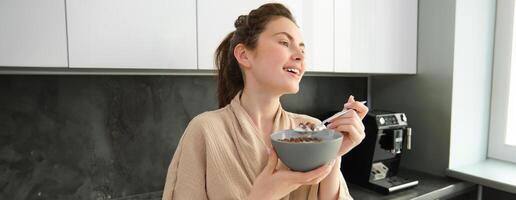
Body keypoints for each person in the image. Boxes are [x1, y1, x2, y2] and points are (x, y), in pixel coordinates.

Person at [162, 3, 368, 200]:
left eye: (303, 50)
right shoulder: (205, 131)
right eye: (284, 43)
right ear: (244, 55)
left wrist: (332, 153)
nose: (300, 57)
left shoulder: (313, 129)